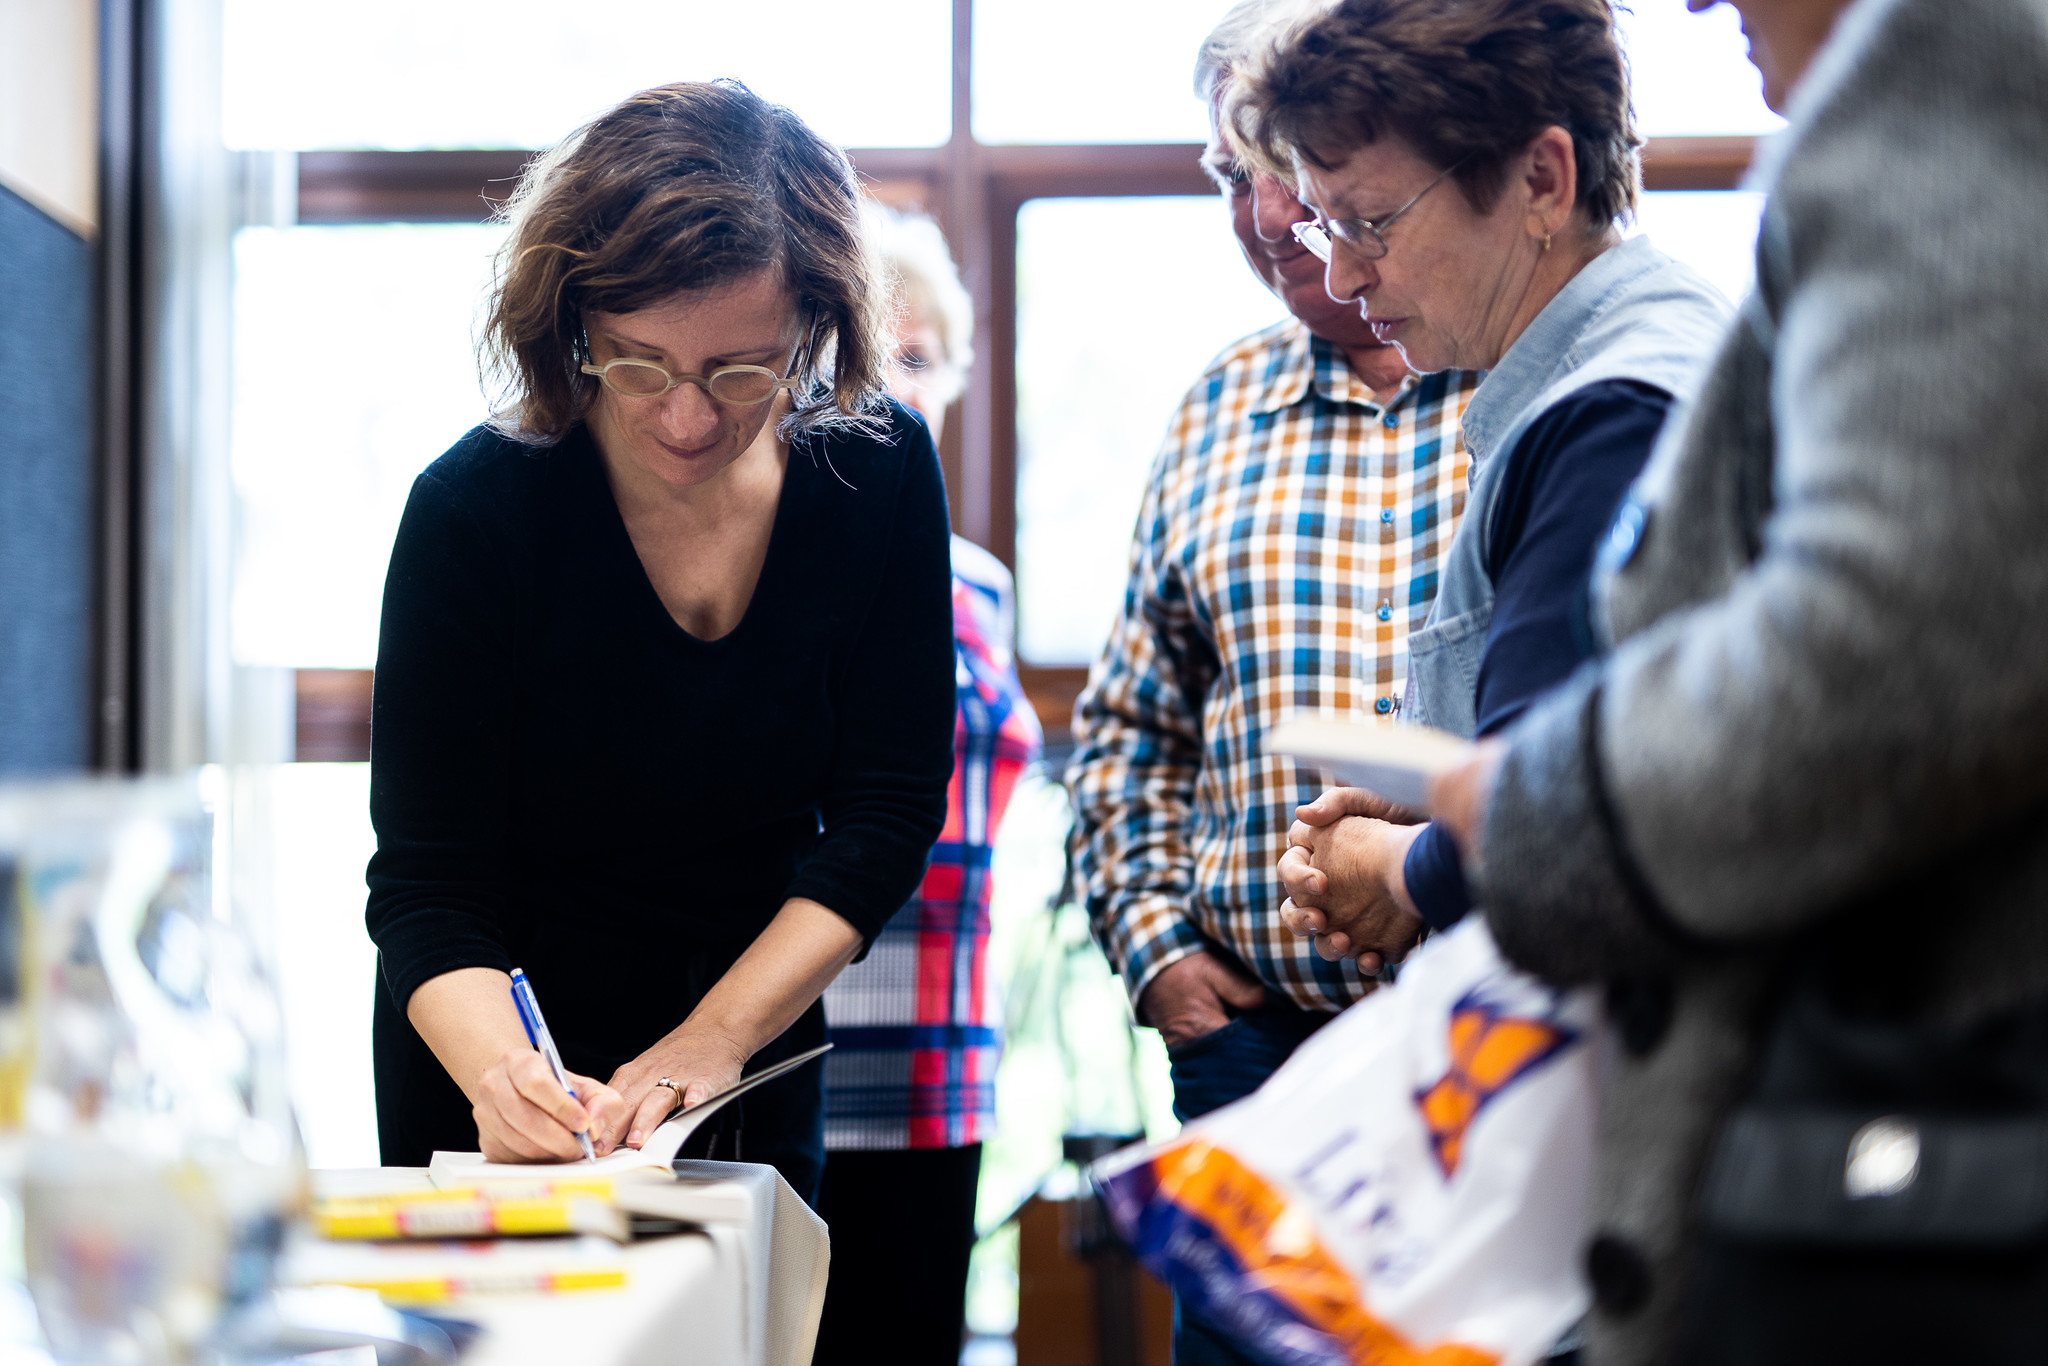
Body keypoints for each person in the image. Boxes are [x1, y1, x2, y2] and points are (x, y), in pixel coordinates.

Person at [1417, 0, 2048, 1360]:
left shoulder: (1957, 53)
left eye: (1366, 217)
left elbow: (1894, 644)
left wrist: (1538, 805)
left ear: (1542, 182)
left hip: (1929, 1174)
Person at [363, 80, 957, 1206]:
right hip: (492, 1052)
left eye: (743, 371)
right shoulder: (474, 511)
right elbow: (428, 885)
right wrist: (505, 1076)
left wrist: (713, 1042)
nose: (687, 418)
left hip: (743, 1038)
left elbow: (884, 813)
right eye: (637, 362)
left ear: (816, 335)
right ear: (571, 322)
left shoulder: (874, 471)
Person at [1066, 5, 1484, 1360]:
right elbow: (1131, 728)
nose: (1261, 208)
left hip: (1480, 1047)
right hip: (1251, 1049)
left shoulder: (1528, 382)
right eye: (1226, 170)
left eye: (1285, 164)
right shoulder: (1213, 408)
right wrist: (1160, 958)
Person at [1227, 0, 1729, 967]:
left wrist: (1401, 863)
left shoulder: (1614, 415)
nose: (1340, 278)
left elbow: (1564, 831)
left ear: (1542, 180)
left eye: (1369, 224)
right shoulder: (1617, 363)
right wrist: (1433, 788)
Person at [813, 204, 1042, 1366]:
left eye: (917, 360)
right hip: (788, 1046)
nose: (893, 390)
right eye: (864, 359)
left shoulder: (981, 589)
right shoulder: (780, 568)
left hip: (939, 1053)